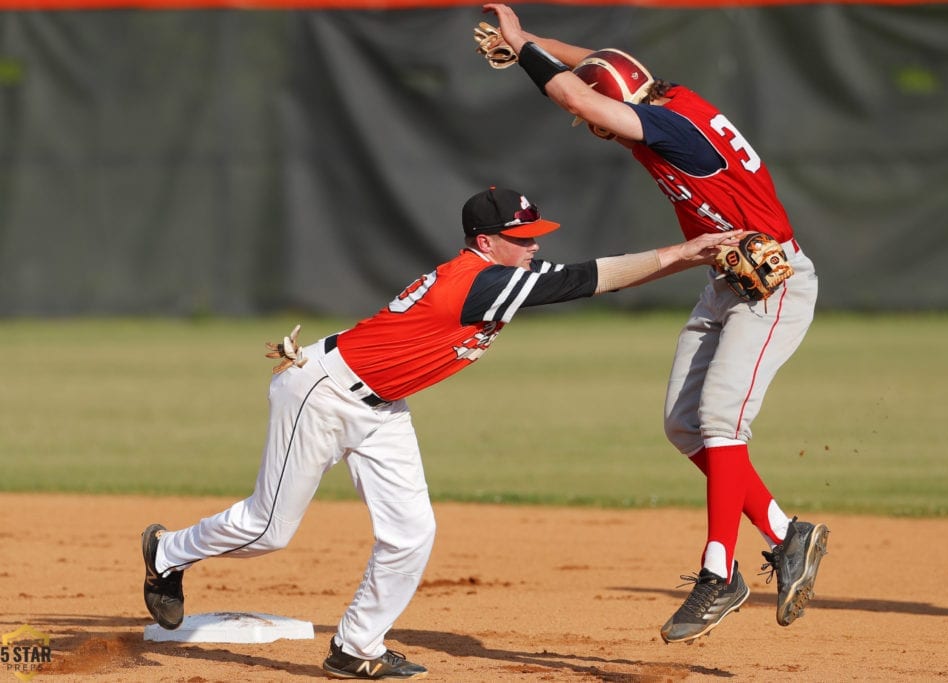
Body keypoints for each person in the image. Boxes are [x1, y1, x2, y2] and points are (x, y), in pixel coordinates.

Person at [141, 186, 742, 680]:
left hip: (382, 408)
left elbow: (595, 274)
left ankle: (355, 648)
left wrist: (695, 255)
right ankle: (167, 552)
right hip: (321, 394)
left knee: (411, 533)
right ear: (487, 242)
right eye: (521, 239)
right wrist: (690, 250)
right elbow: (594, 278)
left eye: (534, 238)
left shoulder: (499, 272)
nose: (533, 248)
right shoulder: (480, 281)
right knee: (269, 530)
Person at [479, 4, 830, 645]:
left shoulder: (670, 129)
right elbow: (599, 69)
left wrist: (527, 58)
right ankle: (785, 534)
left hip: (773, 285)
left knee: (721, 420)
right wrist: (527, 37)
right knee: (683, 424)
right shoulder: (671, 100)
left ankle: (718, 573)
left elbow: (587, 100)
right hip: (729, 280)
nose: (588, 123)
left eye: (593, 115)